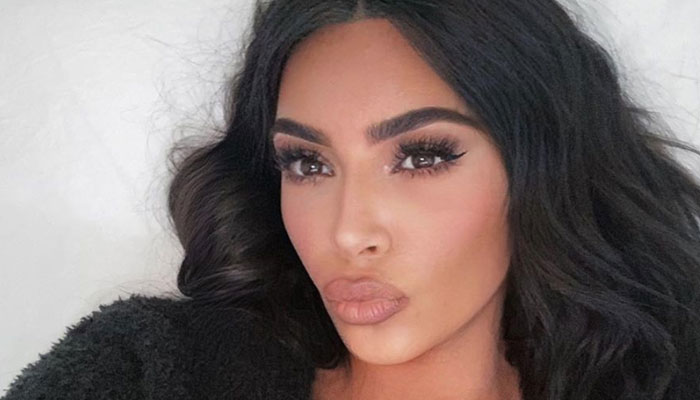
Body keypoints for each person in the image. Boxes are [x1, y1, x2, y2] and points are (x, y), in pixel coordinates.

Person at [3, 0, 700, 399]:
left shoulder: (667, 375)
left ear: (538, 168)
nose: (348, 232)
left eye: (422, 156)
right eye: (307, 163)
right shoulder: (150, 373)